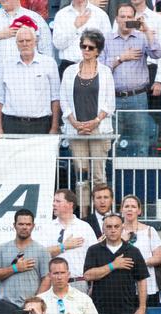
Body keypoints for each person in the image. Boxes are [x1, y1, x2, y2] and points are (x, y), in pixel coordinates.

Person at [60, 30, 115, 213]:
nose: (86, 50)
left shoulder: (106, 72)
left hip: (99, 130)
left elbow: (110, 103)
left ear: (98, 50)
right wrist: (75, 123)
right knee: (81, 175)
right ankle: (84, 216)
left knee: (99, 175)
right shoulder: (69, 71)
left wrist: (95, 121)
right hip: (76, 130)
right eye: (83, 46)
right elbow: (63, 101)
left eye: (90, 47)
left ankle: (103, 216)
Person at [100, 3, 161, 153]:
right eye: (122, 16)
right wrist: (121, 58)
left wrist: (147, 31)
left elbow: (157, 54)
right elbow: (101, 70)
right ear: (116, 19)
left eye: (129, 17)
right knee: (112, 143)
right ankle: (114, 176)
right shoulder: (106, 40)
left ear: (135, 18)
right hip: (113, 98)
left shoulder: (142, 37)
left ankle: (140, 176)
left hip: (137, 97)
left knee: (141, 142)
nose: (126, 20)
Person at [83, 212, 148, 314]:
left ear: (122, 228)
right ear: (103, 229)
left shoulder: (133, 251)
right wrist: (113, 265)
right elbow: (87, 275)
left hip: (126, 312)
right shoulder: (94, 250)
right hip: (99, 312)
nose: (113, 230)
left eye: (116, 226)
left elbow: (142, 280)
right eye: (109, 227)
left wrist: (142, 308)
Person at [0, 27, 60, 135]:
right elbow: (0, 99)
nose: (25, 44)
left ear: (35, 42)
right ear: (16, 43)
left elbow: (55, 98)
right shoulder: (6, 64)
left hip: (41, 125)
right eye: (21, 41)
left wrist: (55, 127)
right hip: (11, 125)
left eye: (28, 40)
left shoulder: (49, 63)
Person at [0, 208, 52, 307]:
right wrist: (15, 268)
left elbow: (47, 279)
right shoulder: (2, 249)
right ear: (14, 225)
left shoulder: (42, 251)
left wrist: (35, 302)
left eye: (28, 224)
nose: (24, 227)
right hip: (6, 306)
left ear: (33, 226)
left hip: (30, 307)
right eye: (21, 224)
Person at [47, 189, 99, 295]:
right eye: (54, 201)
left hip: (79, 283)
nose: (53, 204)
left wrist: (93, 286)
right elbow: (41, 253)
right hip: (52, 284)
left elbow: (96, 258)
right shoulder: (47, 227)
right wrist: (64, 246)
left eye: (58, 201)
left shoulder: (84, 227)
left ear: (70, 204)